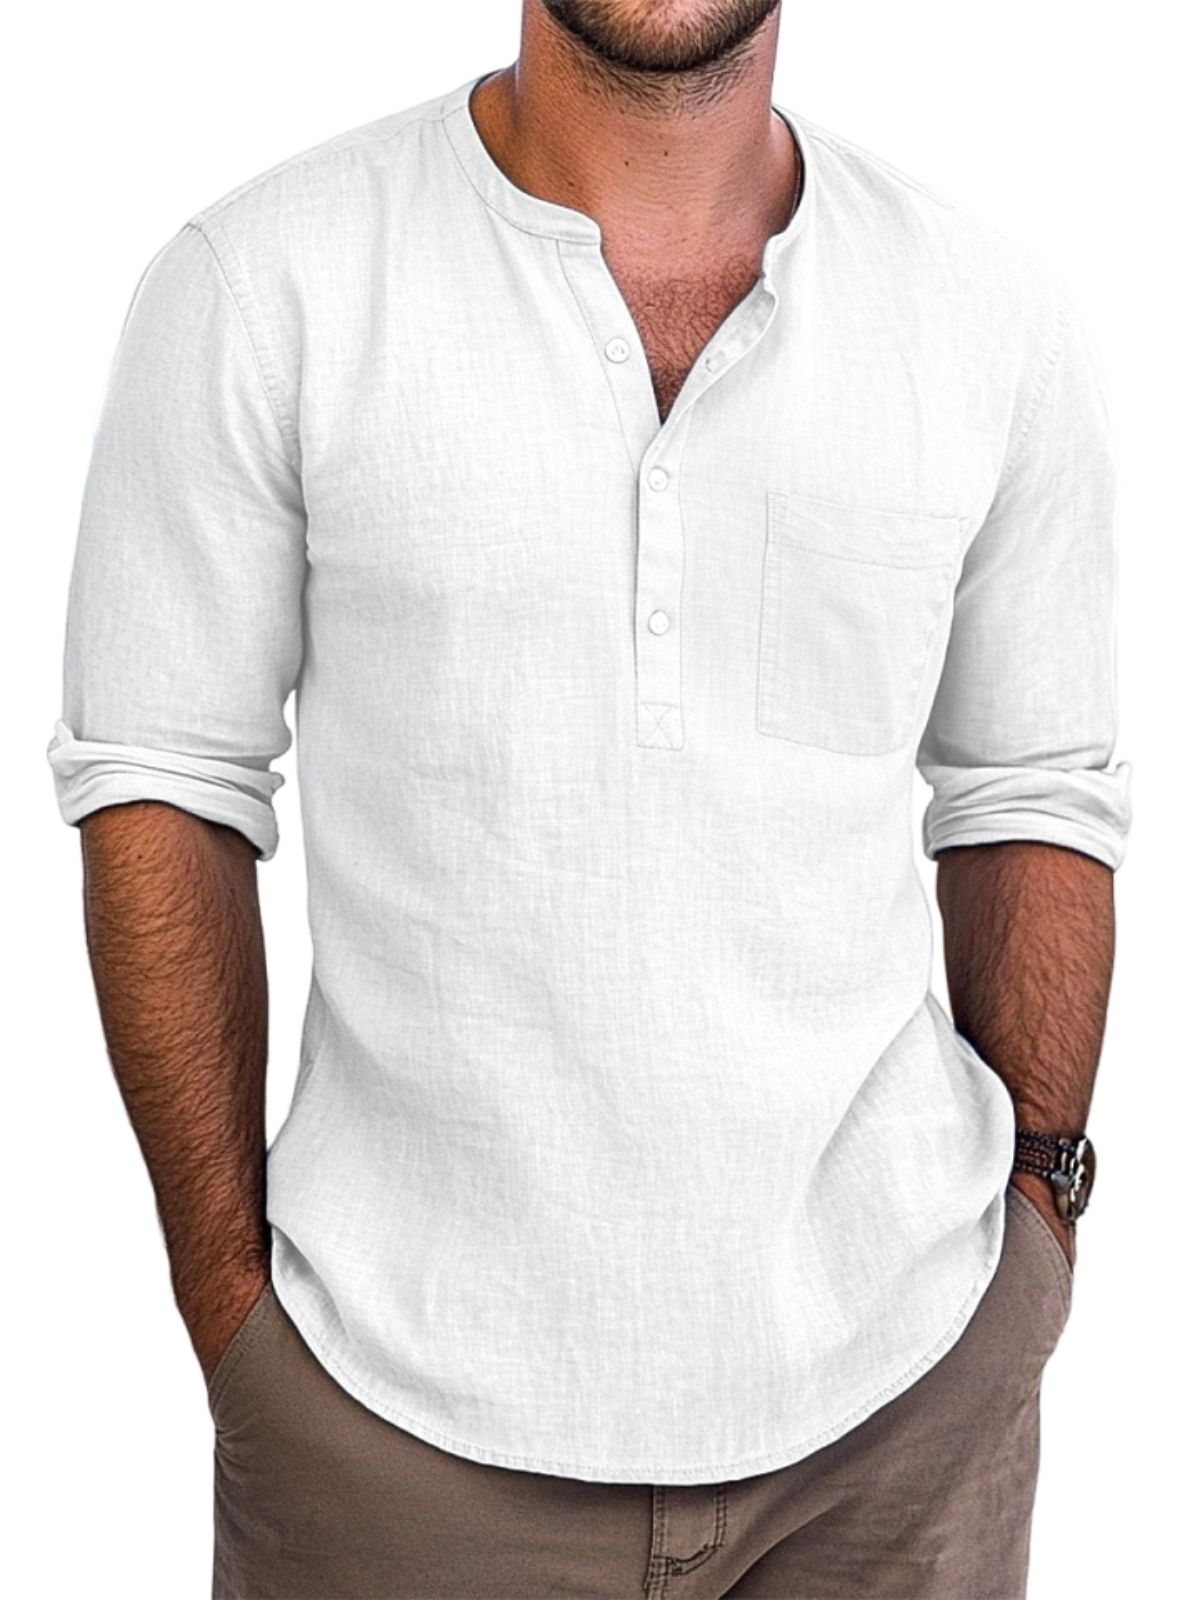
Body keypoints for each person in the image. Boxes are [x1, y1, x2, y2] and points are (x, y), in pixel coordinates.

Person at [47, 3, 1132, 1596]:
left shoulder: (988, 318)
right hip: (389, 1433)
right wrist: (233, 1315)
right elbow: (161, 784)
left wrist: (1035, 1231)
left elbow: (1031, 792)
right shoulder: (261, 284)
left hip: (899, 1426)